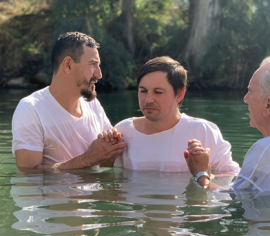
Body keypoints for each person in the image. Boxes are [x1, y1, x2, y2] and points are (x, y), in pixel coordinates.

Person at [100, 56, 239, 173]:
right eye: (143, 91)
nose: (148, 99)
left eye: (158, 92)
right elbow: (106, 180)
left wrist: (202, 173)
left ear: (179, 94)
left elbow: (231, 179)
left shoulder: (203, 131)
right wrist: (107, 160)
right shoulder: (123, 131)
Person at [12, 32, 126, 170]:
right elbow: (28, 173)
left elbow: (104, 162)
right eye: (93, 64)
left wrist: (111, 153)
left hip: (96, 192)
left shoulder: (93, 105)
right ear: (68, 65)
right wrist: (88, 158)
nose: (99, 74)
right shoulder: (30, 109)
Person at [186, 57, 270, 191]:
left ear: (268, 104)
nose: (245, 99)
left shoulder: (264, 148)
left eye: (250, 92)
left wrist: (201, 174)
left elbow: (231, 196)